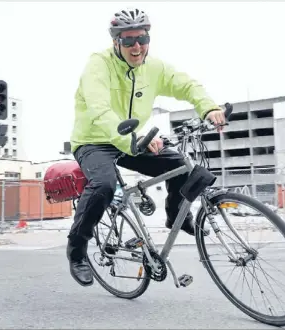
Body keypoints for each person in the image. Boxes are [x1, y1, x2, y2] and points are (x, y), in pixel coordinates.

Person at [67, 7, 227, 287]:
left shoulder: (154, 68)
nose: (136, 46)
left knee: (181, 165)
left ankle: (176, 215)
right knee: (103, 186)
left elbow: (186, 85)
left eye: (142, 39)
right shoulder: (98, 66)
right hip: (94, 139)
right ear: (116, 42)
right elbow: (100, 111)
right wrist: (132, 140)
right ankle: (77, 249)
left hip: (131, 138)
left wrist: (208, 107)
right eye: (128, 40)